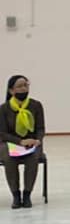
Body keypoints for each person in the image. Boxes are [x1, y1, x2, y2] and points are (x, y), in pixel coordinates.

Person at [0, 75, 45, 209]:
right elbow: (2, 133)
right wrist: (20, 141)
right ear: (11, 90)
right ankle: (15, 195)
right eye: (19, 86)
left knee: (33, 157)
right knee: (9, 157)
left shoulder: (36, 105)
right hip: (10, 143)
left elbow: (40, 128)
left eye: (26, 85)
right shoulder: (4, 109)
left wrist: (37, 140)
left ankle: (27, 195)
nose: (24, 88)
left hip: (31, 142)